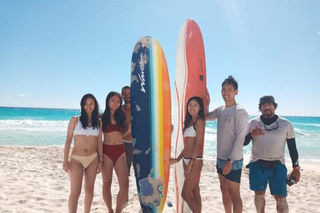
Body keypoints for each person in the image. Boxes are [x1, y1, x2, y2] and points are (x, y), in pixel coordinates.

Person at [243, 95, 300, 213]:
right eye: (264, 105)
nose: (267, 108)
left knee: (281, 198)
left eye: (270, 105)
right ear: (260, 108)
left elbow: (292, 148)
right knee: (259, 195)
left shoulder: (286, 124)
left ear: (275, 107)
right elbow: (243, 142)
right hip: (257, 164)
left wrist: (296, 168)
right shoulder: (253, 122)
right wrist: (251, 134)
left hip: (278, 165)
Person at [206, 75, 249, 213]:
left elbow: (240, 139)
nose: (226, 92)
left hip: (233, 160)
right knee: (223, 190)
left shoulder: (240, 112)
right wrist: (207, 103)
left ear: (236, 92)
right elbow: (206, 117)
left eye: (230, 89)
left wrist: (230, 160)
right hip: (220, 158)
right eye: (224, 89)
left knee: (234, 194)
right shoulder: (221, 110)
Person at [63, 93, 103, 213]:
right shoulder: (75, 120)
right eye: (86, 104)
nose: (88, 106)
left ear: (95, 105)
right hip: (76, 159)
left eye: (91, 104)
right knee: (75, 192)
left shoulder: (99, 122)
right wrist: (65, 160)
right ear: (82, 105)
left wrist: (101, 161)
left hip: (93, 159)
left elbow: (99, 142)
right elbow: (68, 141)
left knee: (89, 190)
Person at [170, 96, 205, 213]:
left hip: (194, 161)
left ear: (200, 108)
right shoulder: (189, 121)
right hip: (186, 159)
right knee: (195, 190)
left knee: (185, 193)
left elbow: (198, 144)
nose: (192, 107)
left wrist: (190, 164)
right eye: (190, 105)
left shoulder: (199, 121)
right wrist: (177, 159)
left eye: (195, 105)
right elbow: (187, 146)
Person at [101, 92, 129, 213]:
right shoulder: (101, 117)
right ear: (108, 101)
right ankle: (110, 210)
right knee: (107, 183)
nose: (115, 103)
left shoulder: (122, 117)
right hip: (106, 151)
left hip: (120, 151)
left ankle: (118, 210)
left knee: (125, 186)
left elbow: (124, 133)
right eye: (113, 100)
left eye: (118, 101)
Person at [121, 86, 133, 202]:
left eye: (129, 93)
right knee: (125, 174)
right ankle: (126, 198)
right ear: (122, 95)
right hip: (124, 144)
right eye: (124, 93)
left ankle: (146, 200)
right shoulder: (119, 110)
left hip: (138, 144)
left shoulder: (139, 108)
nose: (127, 95)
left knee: (143, 173)